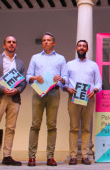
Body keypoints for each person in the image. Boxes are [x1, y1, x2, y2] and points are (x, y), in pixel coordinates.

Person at [0, 36, 27, 167]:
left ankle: (7, 156)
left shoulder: (20, 63)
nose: (11, 44)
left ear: (16, 46)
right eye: (9, 42)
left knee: (11, 128)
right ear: (4, 45)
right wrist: (2, 89)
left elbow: (23, 81)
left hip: (14, 98)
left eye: (14, 42)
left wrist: (17, 90)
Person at [26, 32, 67, 167]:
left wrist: (60, 79)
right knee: (35, 125)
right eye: (44, 40)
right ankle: (32, 157)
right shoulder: (35, 57)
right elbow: (28, 76)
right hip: (38, 93)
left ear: (54, 43)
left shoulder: (60, 58)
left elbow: (65, 77)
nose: (46, 42)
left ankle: (50, 157)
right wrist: (35, 78)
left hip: (53, 93)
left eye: (49, 40)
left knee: (52, 126)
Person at [63, 40, 102, 165]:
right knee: (73, 128)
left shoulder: (93, 65)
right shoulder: (69, 65)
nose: (81, 48)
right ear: (76, 48)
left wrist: (95, 90)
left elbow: (99, 82)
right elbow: (64, 81)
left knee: (86, 128)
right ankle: (73, 156)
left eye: (84, 46)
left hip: (89, 98)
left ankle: (85, 155)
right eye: (79, 46)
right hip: (73, 98)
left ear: (87, 49)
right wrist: (68, 88)